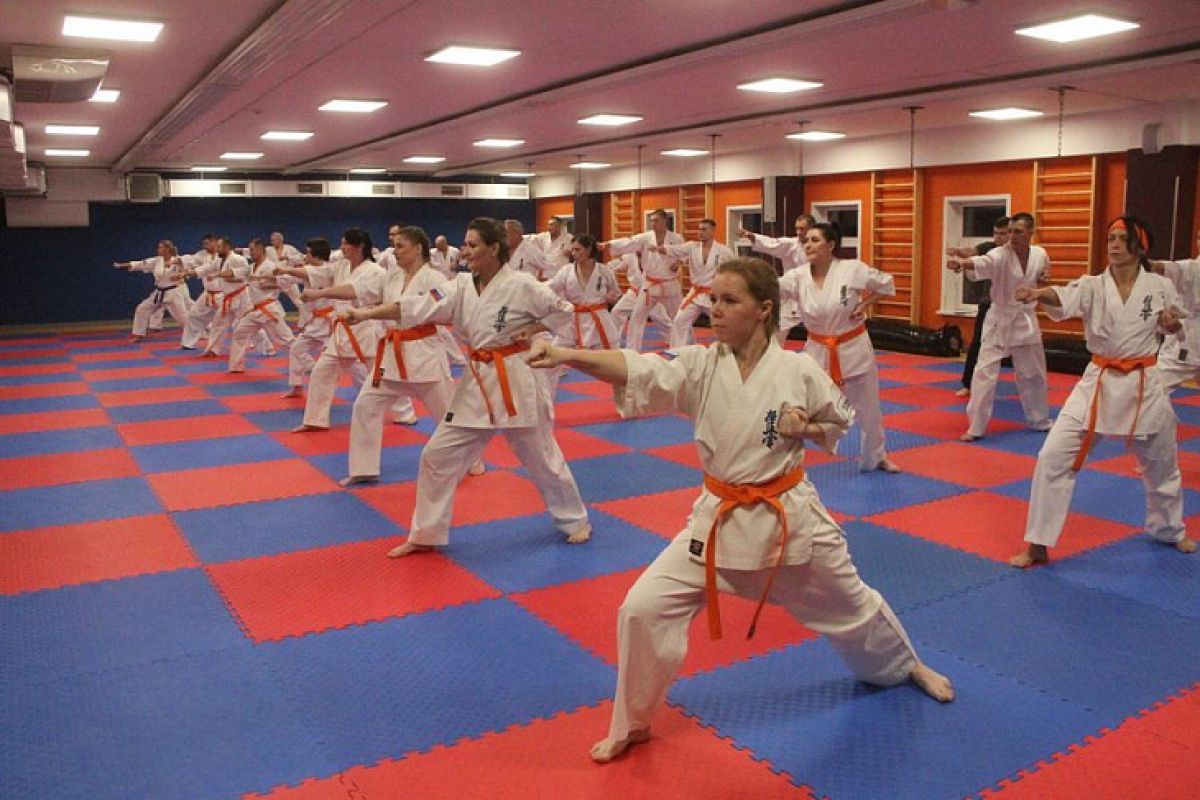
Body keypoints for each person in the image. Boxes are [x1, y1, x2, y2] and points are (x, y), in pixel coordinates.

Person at [526, 256, 953, 763]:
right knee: (642, 608)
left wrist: (805, 428)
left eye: (730, 301)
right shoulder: (702, 364)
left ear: (763, 309)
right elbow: (636, 366)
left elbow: (840, 421)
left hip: (787, 519)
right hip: (718, 518)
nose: (716, 310)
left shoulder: (797, 369)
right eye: (713, 299)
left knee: (851, 604)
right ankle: (633, 721)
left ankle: (903, 666)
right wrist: (564, 353)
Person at [372, 217, 591, 557]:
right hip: (477, 383)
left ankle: (575, 521)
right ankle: (426, 533)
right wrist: (369, 313)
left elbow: (563, 310)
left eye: (473, 245)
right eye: (465, 244)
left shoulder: (522, 284)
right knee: (437, 455)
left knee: (543, 459)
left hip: (516, 379)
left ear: (494, 248)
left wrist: (534, 328)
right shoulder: (459, 285)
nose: (465, 250)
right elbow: (420, 304)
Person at [1011, 217, 1197, 568]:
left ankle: (1169, 529)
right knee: (1052, 457)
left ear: (1140, 247)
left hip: (1145, 383)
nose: (1114, 244)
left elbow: (1173, 323)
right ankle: (1038, 543)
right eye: (1111, 238)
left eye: (1123, 239)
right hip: (1098, 382)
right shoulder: (1093, 284)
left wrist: (1171, 325)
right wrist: (1038, 293)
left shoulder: (1160, 286)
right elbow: (1064, 296)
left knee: (1162, 464)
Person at [339, 225, 483, 484]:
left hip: (424, 355)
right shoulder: (392, 277)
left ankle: (472, 459)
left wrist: (366, 314)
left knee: (449, 414)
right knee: (365, 405)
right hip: (392, 358)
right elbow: (361, 291)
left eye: (400, 246)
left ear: (417, 249)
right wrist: (321, 293)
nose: (395, 251)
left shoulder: (436, 281)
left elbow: (421, 310)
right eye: (394, 246)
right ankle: (363, 469)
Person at [780, 222, 900, 472]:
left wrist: (865, 304)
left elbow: (886, 284)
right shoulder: (798, 276)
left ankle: (876, 456)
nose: (808, 245)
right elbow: (770, 288)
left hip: (852, 345)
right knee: (797, 404)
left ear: (831, 245)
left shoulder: (851, 269)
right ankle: (780, 458)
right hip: (817, 349)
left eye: (815, 240)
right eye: (806, 240)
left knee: (868, 408)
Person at [946, 212, 1052, 441]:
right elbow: (982, 262)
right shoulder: (1000, 254)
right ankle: (976, 426)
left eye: (1018, 232)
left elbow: (1042, 275)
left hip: (1025, 319)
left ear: (1031, 232)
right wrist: (962, 263)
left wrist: (1043, 278)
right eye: (1010, 231)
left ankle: (1040, 419)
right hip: (999, 318)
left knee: (1033, 373)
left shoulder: (1040, 254)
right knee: (984, 373)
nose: (1012, 236)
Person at [292, 228, 401, 432]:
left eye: (345, 244)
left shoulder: (376, 272)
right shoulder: (341, 266)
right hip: (342, 331)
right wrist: (286, 270)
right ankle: (315, 420)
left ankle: (404, 413)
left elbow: (353, 291)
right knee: (321, 372)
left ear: (359, 246)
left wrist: (319, 293)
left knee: (383, 376)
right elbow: (317, 272)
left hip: (366, 328)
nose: (342, 248)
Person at [544, 234, 622, 397]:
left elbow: (616, 292)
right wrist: (530, 288)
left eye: (577, 250)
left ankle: (628, 401)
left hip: (600, 321)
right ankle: (546, 401)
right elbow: (550, 287)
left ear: (588, 250)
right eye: (572, 250)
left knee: (618, 365)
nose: (573, 253)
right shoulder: (566, 271)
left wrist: (612, 298)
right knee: (551, 360)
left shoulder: (604, 270)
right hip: (572, 321)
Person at [604, 209, 685, 350]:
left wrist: (678, 263)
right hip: (649, 286)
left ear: (665, 220)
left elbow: (684, 254)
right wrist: (609, 244)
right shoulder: (645, 238)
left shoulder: (677, 238)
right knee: (636, 316)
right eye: (652, 221)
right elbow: (628, 242)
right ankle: (632, 350)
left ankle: (685, 347)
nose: (653, 224)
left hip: (669, 284)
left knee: (680, 317)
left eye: (656, 220)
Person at [953, 217, 1010, 397]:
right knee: (978, 342)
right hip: (989, 304)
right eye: (996, 233)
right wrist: (959, 254)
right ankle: (968, 384)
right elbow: (972, 253)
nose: (998, 237)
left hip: (1013, 307)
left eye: (1002, 234)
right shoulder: (990, 249)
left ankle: (1030, 388)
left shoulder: (1022, 253)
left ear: (1011, 234)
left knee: (1022, 347)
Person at [273, 238, 337, 397]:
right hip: (317, 322)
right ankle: (297, 387)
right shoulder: (309, 270)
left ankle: (371, 385)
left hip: (330, 323)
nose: (306, 256)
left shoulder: (328, 269)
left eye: (308, 253)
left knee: (346, 361)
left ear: (318, 255)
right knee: (296, 348)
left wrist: (284, 269)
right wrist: (267, 277)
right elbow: (293, 278)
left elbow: (303, 272)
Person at [659, 218, 735, 348]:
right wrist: (662, 249)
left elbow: (736, 267)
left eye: (703, 229)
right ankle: (678, 352)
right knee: (679, 321)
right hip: (695, 293)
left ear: (712, 231)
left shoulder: (723, 251)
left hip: (713, 295)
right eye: (699, 229)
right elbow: (677, 249)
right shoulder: (692, 247)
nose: (700, 232)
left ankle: (731, 350)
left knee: (723, 323)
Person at [742, 213, 816, 342]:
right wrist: (753, 237)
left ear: (812, 228)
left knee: (820, 331)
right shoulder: (790, 244)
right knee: (777, 333)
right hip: (791, 295)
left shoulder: (819, 247)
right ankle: (771, 352)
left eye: (802, 229)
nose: (799, 232)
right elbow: (771, 243)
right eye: (797, 228)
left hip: (813, 294)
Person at [228, 239, 295, 373]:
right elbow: (236, 272)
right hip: (256, 310)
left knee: (286, 340)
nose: (250, 253)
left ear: (260, 250)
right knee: (239, 332)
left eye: (252, 250)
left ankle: (309, 364)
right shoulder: (251, 267)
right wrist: (217, 274)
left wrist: (269, 285)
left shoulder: (271, 266)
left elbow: (288, 282)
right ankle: (236, 366)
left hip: (269, 309)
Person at [1149, 227, 1200, 390]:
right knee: (1151, 391)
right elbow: (1165, 267)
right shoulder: (1191, 268)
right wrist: (1144, 263)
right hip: (1182, 347)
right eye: (1199, 238)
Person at [113, 240, 192, 342]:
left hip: (173, 293)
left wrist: (182, 274)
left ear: (168, 249)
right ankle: (139, 334)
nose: (158, 249)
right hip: (159, 292)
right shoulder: (157, 260)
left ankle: (196, 332)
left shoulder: (178, 260)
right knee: (142, 309)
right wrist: (120, 265)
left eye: (161, 247)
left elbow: (189, 266)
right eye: (158, 247)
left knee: (182, 317)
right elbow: (139, 264)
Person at [199, 236, 252, 357]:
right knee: (218, 323)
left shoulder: (238, 259)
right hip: (228, 298)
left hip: (241, 297)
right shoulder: (219, 261)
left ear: (227, 247)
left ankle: (268, 347)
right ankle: (213, 350)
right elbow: (207, 268)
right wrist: (189, 272)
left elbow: (246, 276)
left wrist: (222, 276)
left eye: (219, 247)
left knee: (251, 323)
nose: (217, 249)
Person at [179, 234, 222, 350]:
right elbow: (190, 260)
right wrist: (178, 262)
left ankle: (254, 341)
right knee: (194, 315)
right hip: (208, 294)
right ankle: (188, 343)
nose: (205, 246)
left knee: (240, 319)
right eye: (204, 244)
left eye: (207, 243)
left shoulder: (224, 255)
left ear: (215, 242)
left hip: (224, 294)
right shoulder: (202, 255)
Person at [268, 231, 308, 328]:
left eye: (274, 240)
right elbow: (257, 251)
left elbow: (301, 258)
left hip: (288, 279)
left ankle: (304, 323)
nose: (272, 242)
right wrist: (241, 250)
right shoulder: (269, 250)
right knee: (269, 301)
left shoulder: (290, 249)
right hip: (275, 279)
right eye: (271, 240)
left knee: (298, 301)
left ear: (280, 240)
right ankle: (274, 321)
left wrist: (288, 257)